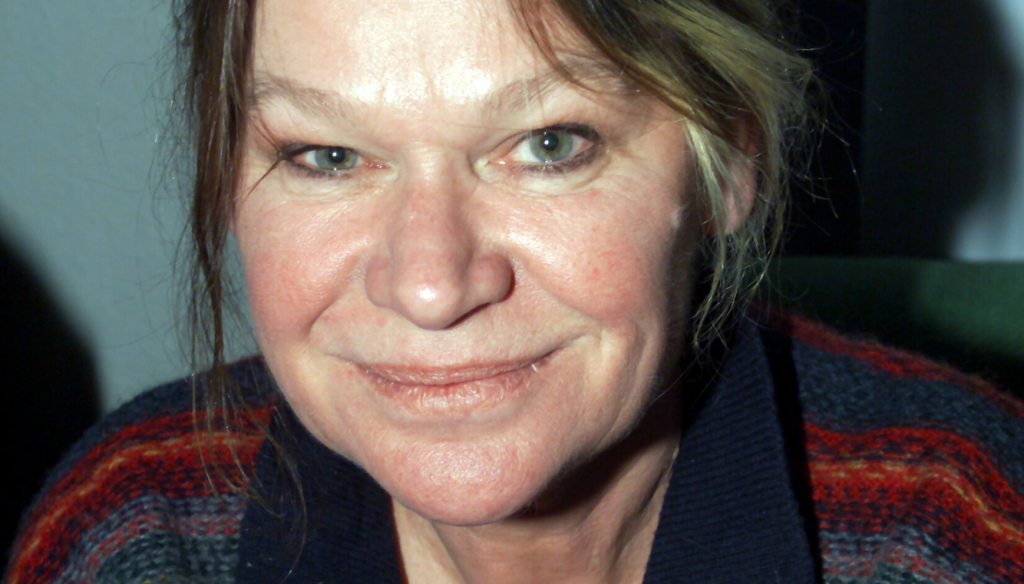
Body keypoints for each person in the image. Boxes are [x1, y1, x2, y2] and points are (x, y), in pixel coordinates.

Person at [6, 0, 1024, 582]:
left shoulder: (956, 530)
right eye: (328, 155)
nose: (431, 286)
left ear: (730, 165)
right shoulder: (139, 533)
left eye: (548, 144)